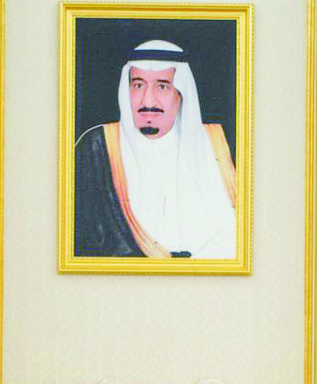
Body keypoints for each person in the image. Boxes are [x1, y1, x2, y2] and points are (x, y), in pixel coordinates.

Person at [74, 39, 237, 259]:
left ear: (180, 93)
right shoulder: (95, 148)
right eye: (138, 85)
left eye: (162, 86)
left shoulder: (220, 146)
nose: (147, 100)